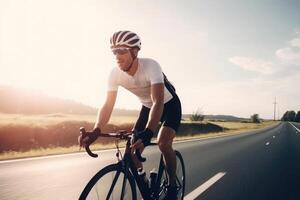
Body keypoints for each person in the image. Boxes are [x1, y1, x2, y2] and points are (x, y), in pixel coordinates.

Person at [79, 30, 182, 199]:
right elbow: (108, 105)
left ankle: (171, 186)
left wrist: (148, 132)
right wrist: (97, 130)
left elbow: (158, 101)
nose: (117, 56)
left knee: (163, 143)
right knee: (132, 146)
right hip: (147, 107)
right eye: (114, 52)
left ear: (134, 52)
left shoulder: (151, 66)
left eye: (122, 51)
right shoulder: (114, 73)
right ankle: (142, 178)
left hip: (169, 105)